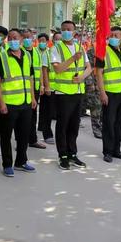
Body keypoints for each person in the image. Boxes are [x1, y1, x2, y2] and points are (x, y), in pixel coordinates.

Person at [0, 28, 37, 177]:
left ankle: (21, 162)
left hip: (25, 103)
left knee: (23, 135)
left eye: (15, 37)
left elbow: (30, 78)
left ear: (21, 39)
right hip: (9, 104)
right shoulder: (2, 57)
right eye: (10, 38)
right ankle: (7, 164)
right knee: (6, 135)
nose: (13, 40)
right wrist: (1, 102)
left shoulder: (27, 56)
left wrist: (33, 97)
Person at [51, 20, 91, 170]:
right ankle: (62, 156)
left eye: (69, 29)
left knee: (74, 126)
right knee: (62, 126)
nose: (66, 31)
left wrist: (82, 77)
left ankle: (72, 153)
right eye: (64, 29)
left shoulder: (80, 47)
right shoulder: (56, 48)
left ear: (75, 32)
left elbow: (89, 67)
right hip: (63, 93)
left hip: (78, 91)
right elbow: (58, 69)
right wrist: (73, 58)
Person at [95, 26, 121, 163]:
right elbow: (98, 73)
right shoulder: (103, 51)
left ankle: (117, 150)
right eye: (112, 35)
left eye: (117, 36)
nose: (114, 38)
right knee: (108, 123)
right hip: (109, 93)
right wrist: (102, 93)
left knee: (120, 123)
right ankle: (108, 151)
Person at [22, 28, 46, 149]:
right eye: (25, 37)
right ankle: (22, 141)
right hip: (23, 89)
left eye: (29, 37)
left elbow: (40, 69)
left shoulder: (36, 52)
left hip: (35, 88)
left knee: (33, 115)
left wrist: (42, 84)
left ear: (33, 39)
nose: (27, 40)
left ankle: (33, 140)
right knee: (24, 117)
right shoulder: (20, 52)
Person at [39, 33, 56, 144]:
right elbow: (43, 71)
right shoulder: (47, 53)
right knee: (46, 112)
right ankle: (46, 132)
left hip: (61, 88)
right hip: (48, 87)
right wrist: (44, 85)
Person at [85, 45, 102, 139]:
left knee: (103, 108)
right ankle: (96, 129)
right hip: (94, 84)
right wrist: (90, 83)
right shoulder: (92, 51)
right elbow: (88, 68)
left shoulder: (108, 50)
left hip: (105, 83)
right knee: (95, 107)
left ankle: (103, 127)